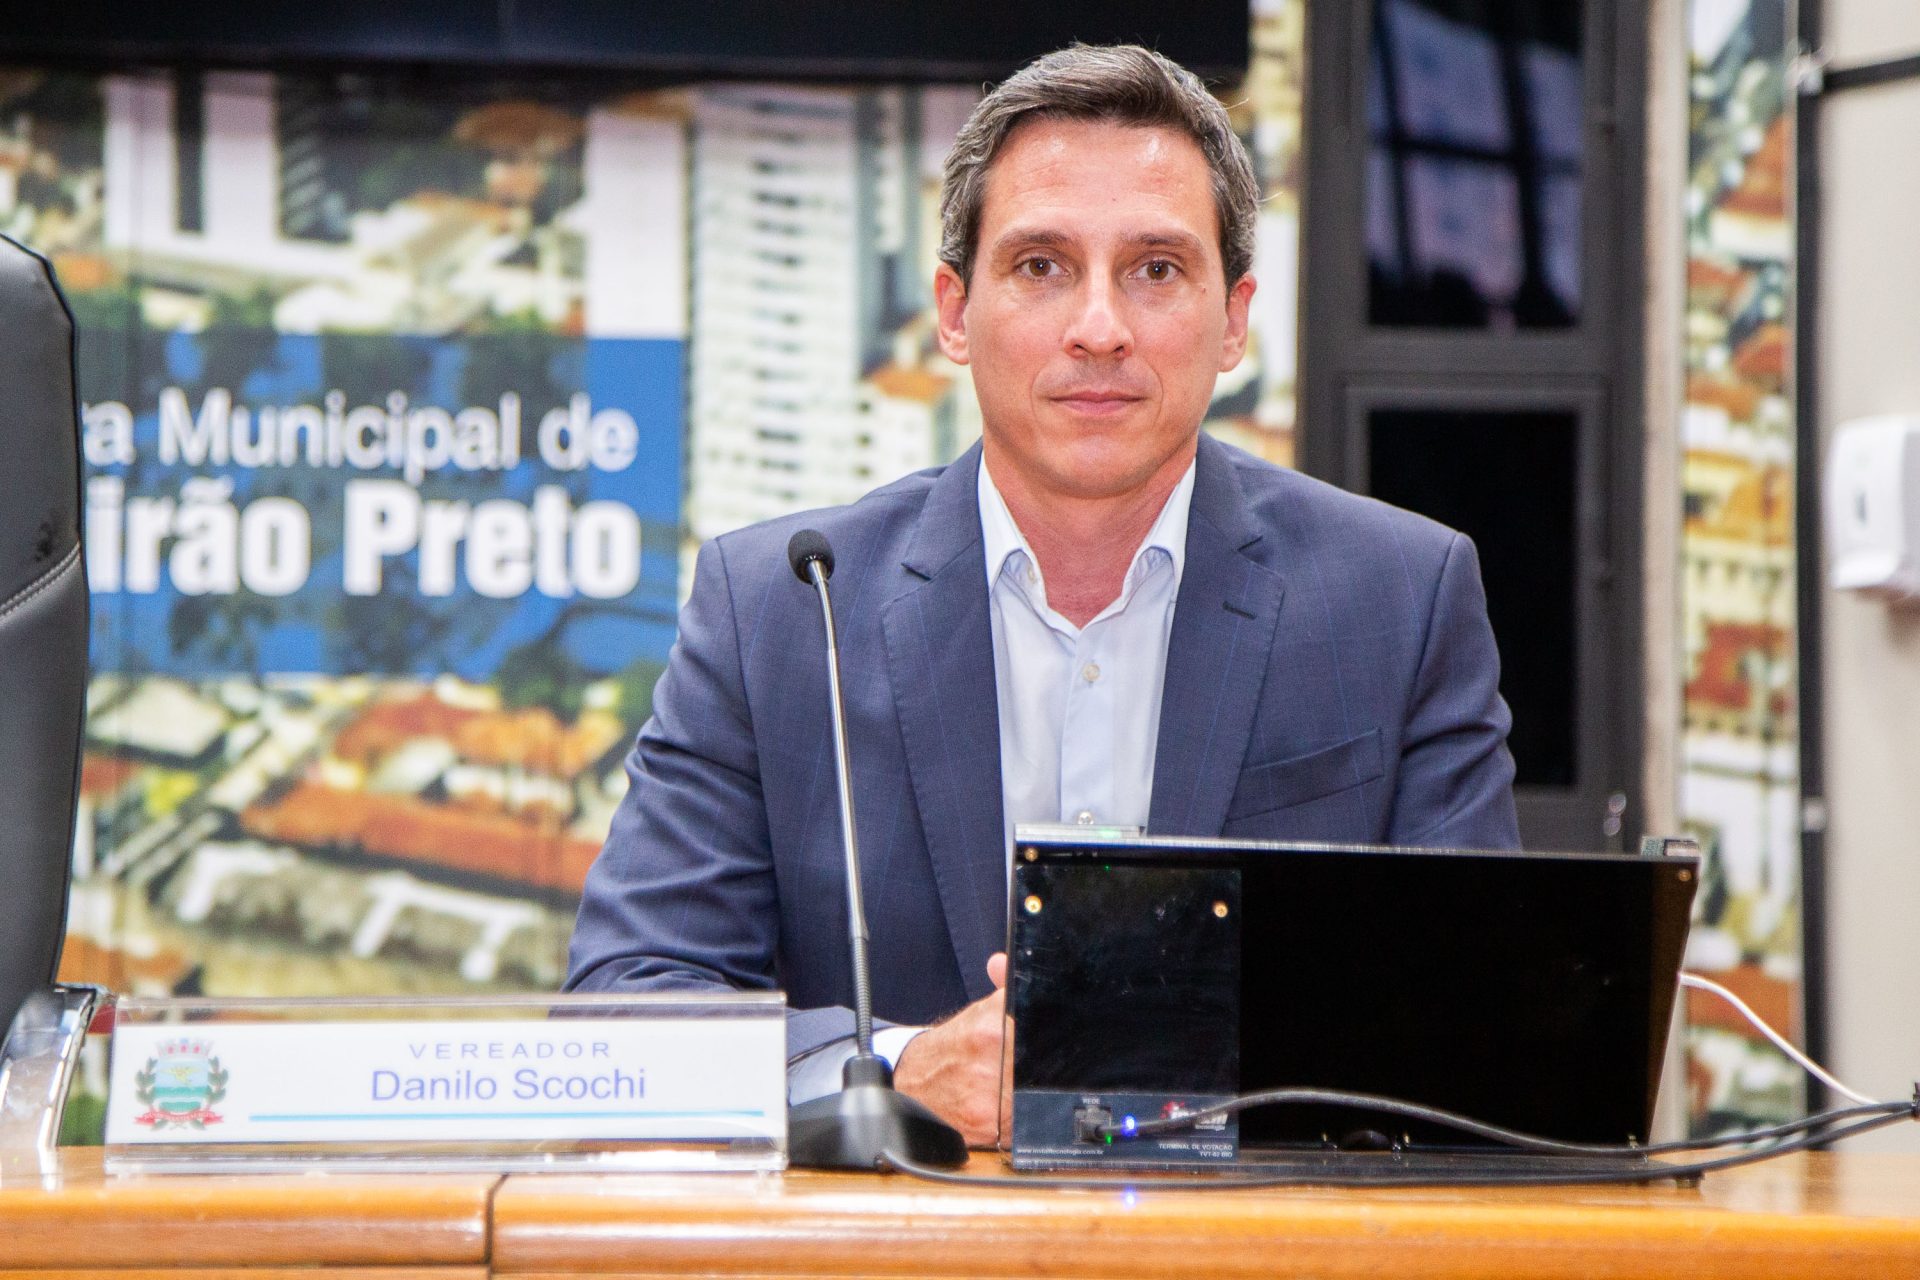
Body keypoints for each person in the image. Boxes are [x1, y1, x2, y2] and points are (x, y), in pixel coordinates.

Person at [566, 44, 1518, 1147]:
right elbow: (624, 1013)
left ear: (1233, 320)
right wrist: (896, 1070)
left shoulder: (1401, 600)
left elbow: (1486, 1025)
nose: (1099, 327)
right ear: (955, 312)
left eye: (1155, 268)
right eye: (1041, 265)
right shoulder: (779, 609)